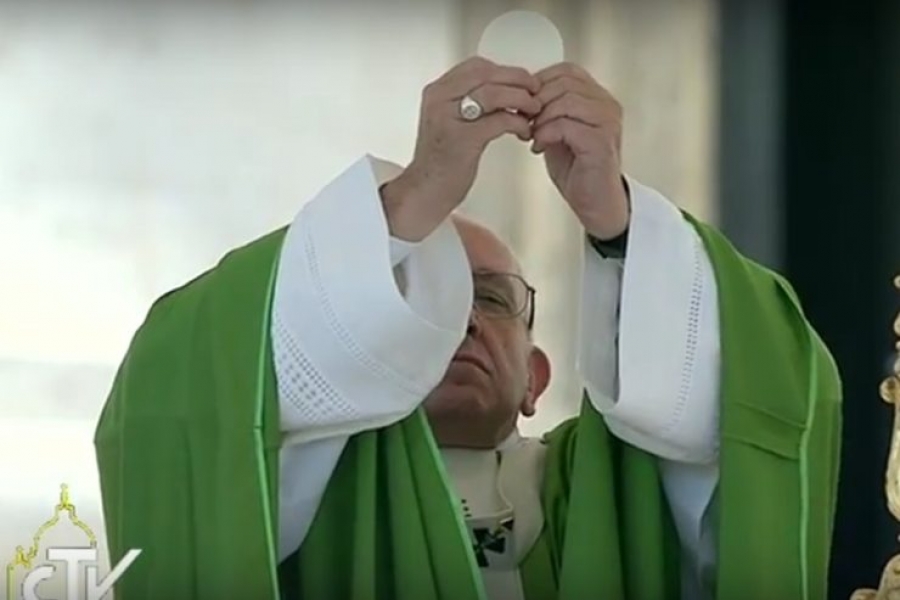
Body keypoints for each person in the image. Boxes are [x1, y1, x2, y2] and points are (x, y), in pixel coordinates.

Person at [93, 57, 843, 600]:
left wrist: (617, 221)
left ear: (536, 378)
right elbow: (197, 372)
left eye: (489, 300)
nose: (458, 325)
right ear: (367, 339)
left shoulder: (606, 488)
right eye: (418, 297)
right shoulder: (303, 477)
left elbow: (754, 392)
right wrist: (415, 195)